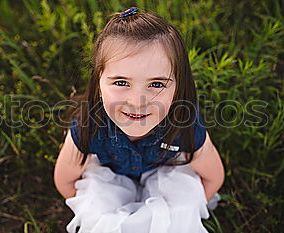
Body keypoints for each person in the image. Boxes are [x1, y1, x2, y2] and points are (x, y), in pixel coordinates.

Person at [54, 7, 224, 233]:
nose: (137, 101)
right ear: (99, 83)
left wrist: (186, 211)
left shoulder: (184, 124)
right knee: (97, 207)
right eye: (121, 82)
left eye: (156, 84)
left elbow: (213, 178)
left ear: (178, 86)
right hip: (110, 175)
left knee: (185, 203)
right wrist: (90, 210)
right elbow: (65, 181)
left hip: (165, 170)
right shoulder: (89, 125)